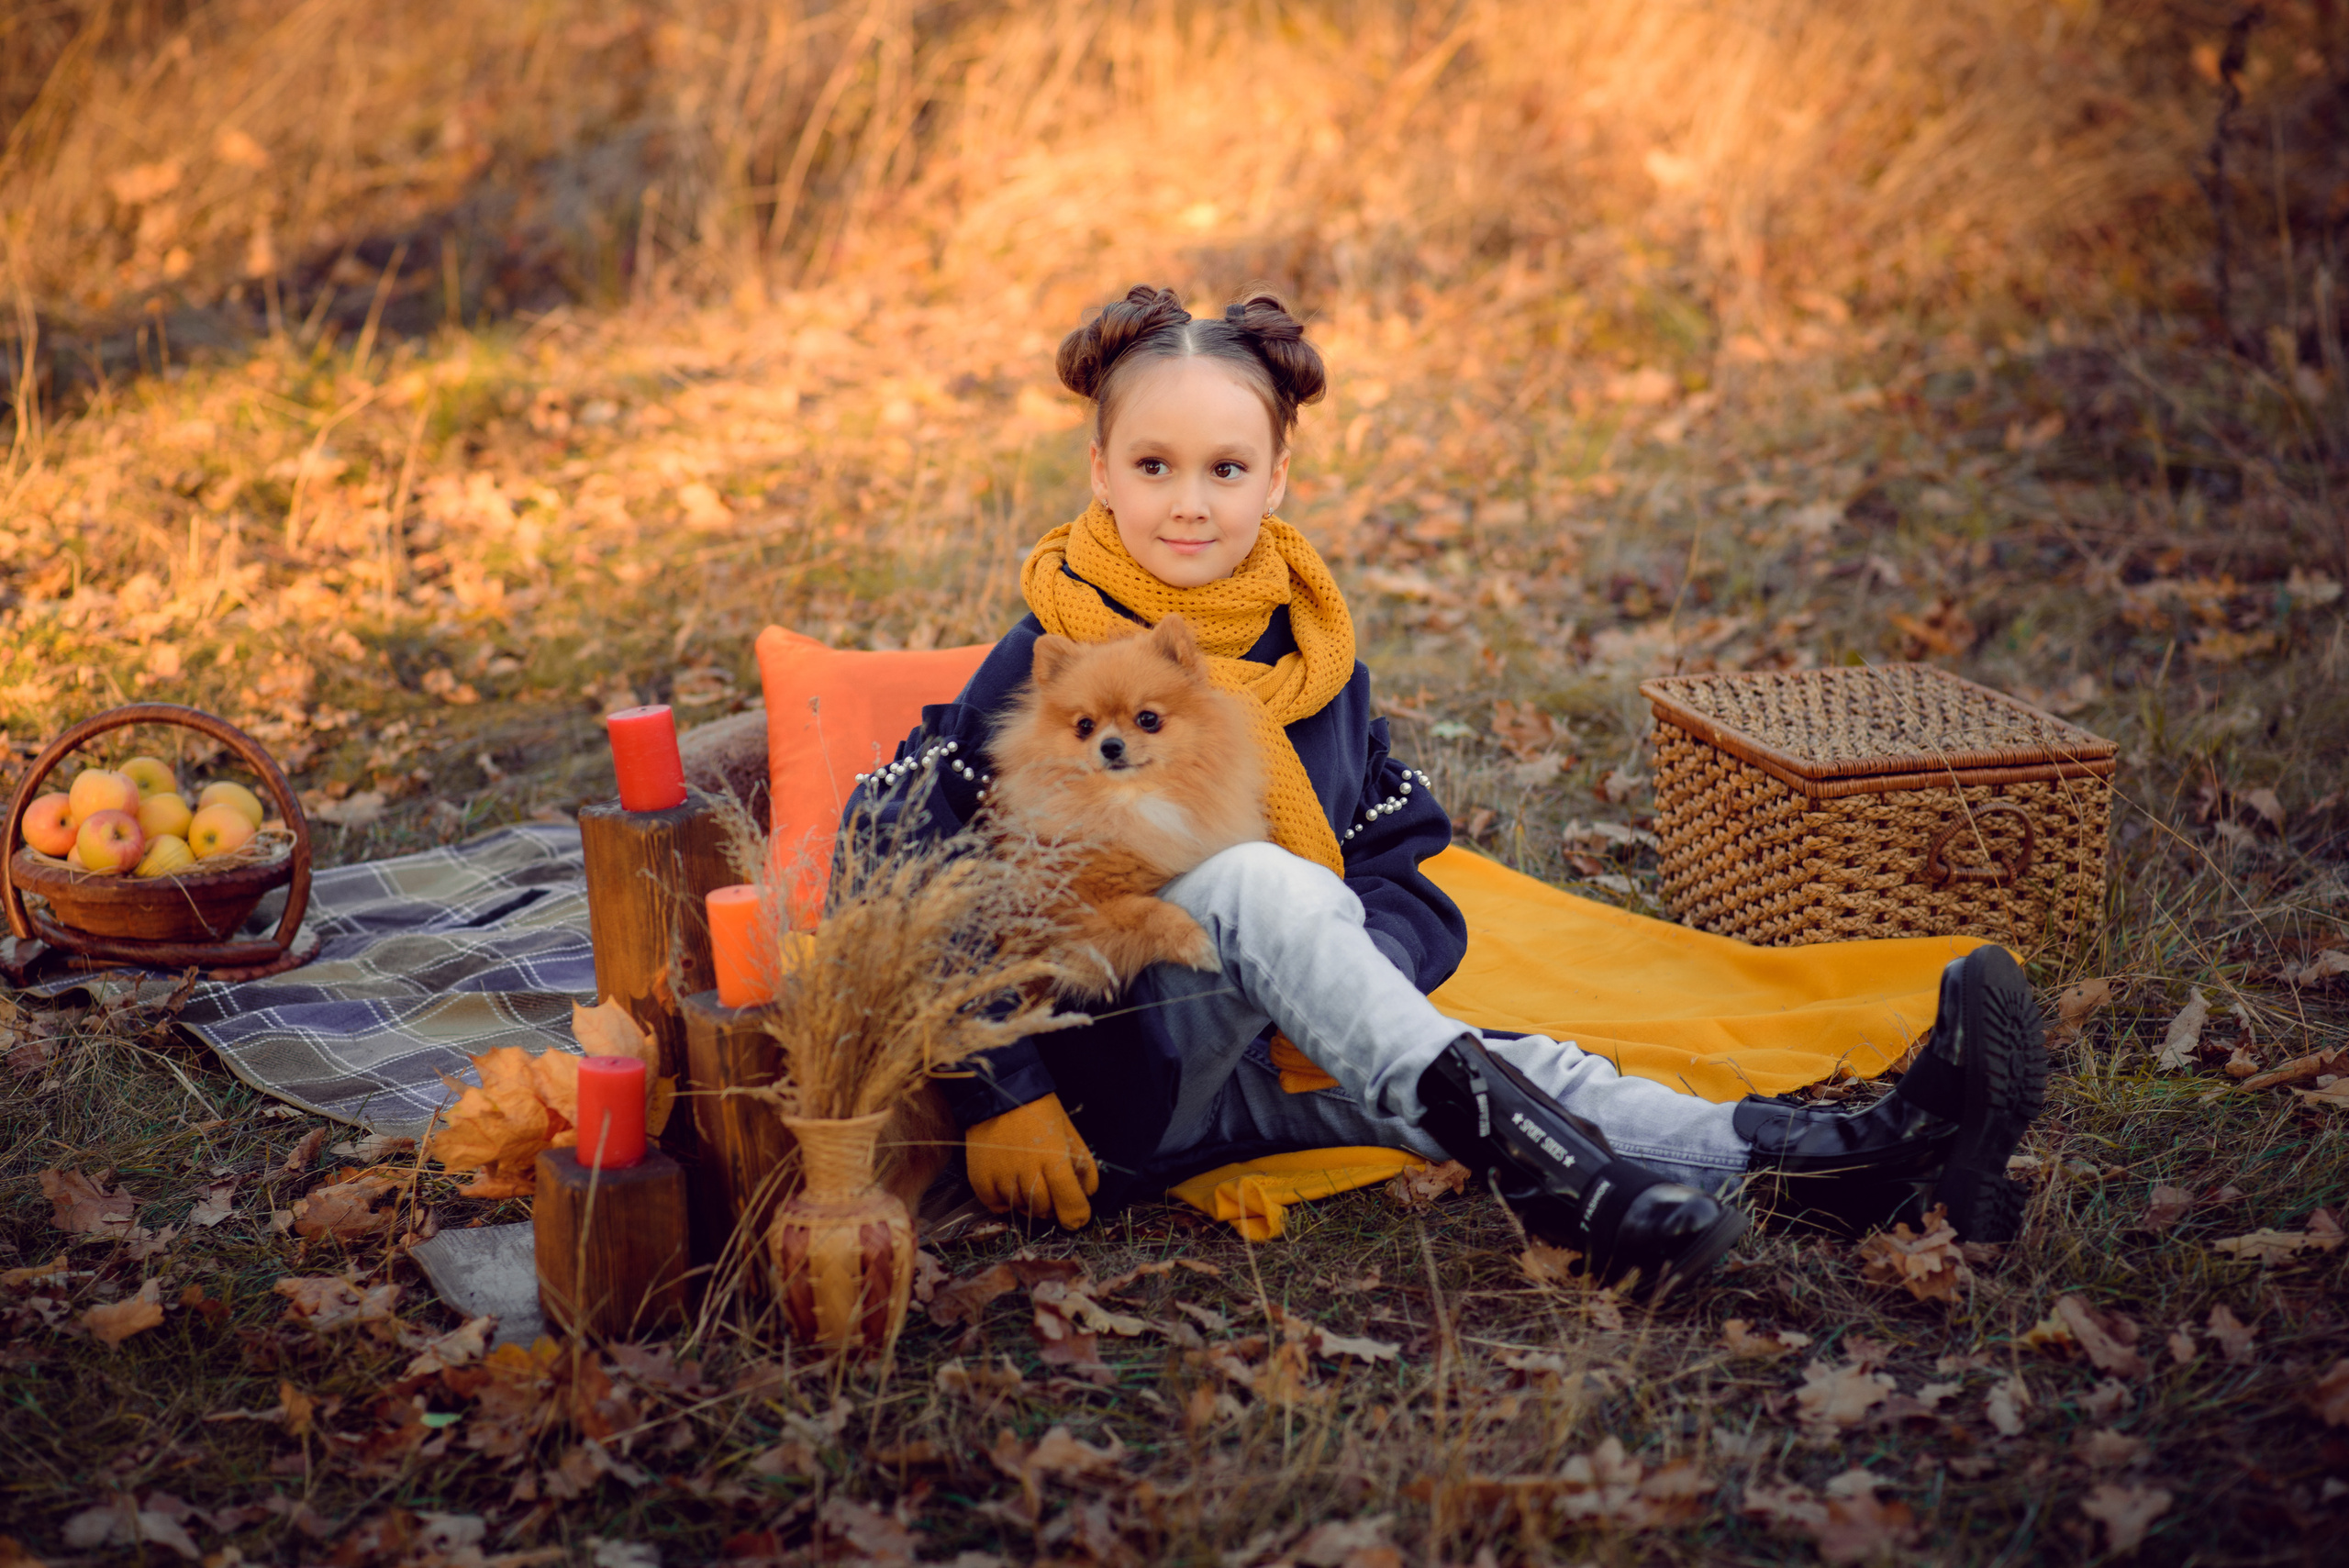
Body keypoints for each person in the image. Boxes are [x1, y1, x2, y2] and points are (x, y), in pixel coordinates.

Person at [844, 285, 2046, 1296]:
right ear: (1100, 469)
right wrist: (1008, 1090)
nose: (1189, 500)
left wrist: (1337, 967)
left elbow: (1399, 845)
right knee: (1258, 879)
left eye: (1226, 466)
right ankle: (1558, 1173)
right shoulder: (1050, 649)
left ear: (1277, 476)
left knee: (1533, 1068)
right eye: (1154, 465)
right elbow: (895, 844)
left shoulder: (1310, 659)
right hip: (1122, 1064)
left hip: (1279, 1058)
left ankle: (1851, 1164)